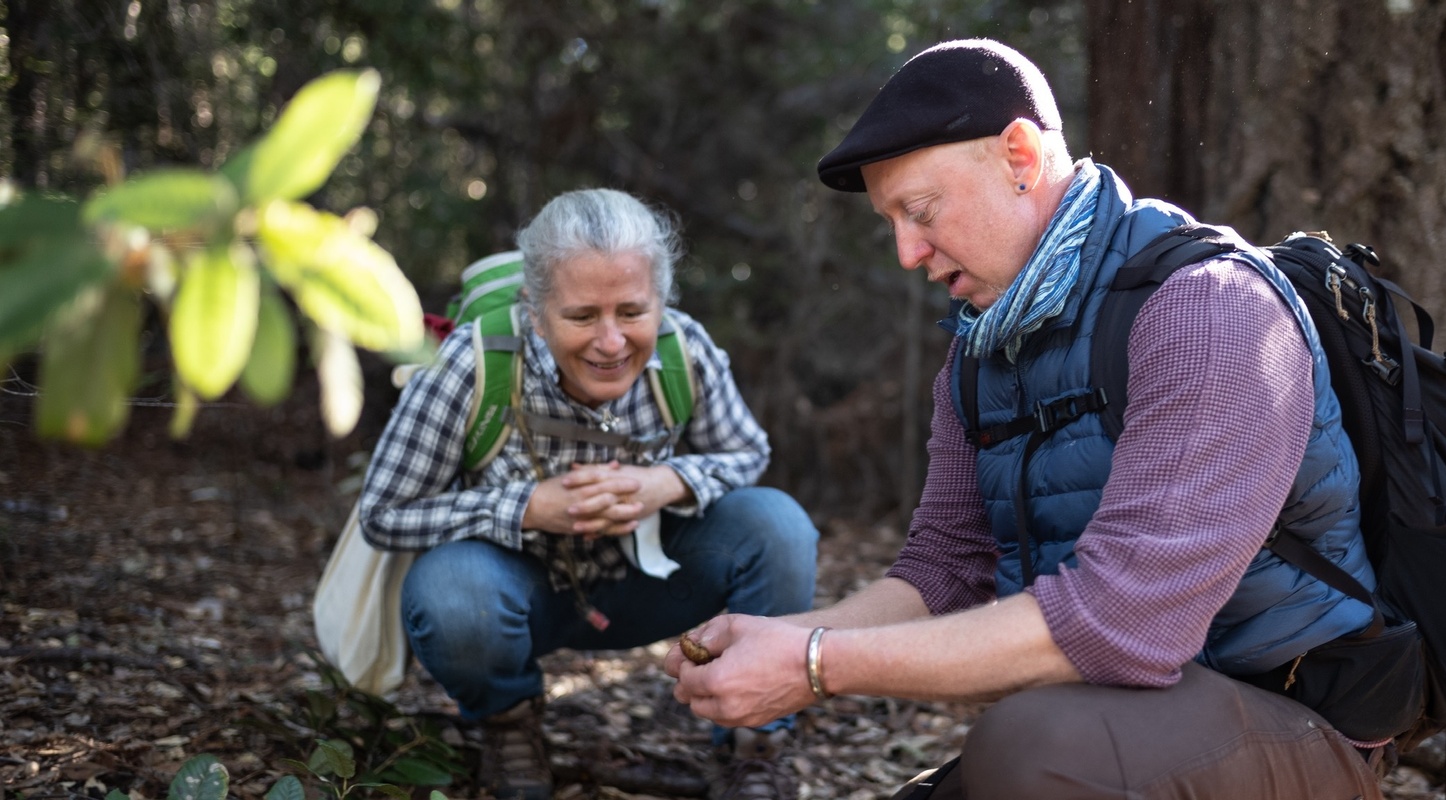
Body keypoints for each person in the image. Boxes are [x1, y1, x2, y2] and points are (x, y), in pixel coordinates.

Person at [665, 39, 1392, 799]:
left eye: (919, 210)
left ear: (1019, 155)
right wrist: (786, 636)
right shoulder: (979, 355)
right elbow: (945, 569)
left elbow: (1121, 620)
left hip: (1301, 727)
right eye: (891, 223)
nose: (908, 252)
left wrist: (816, 666)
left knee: (1029, 750)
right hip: (1126, 725)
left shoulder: (1208, 308)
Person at [359, 188, 818, 800]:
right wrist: (526, 507)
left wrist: (667, 482)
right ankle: (509, 729)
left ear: (661, 300)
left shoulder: (685, 349)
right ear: (537, 308)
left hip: (654, 587)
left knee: (778, 526)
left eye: (632, 312)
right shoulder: (472, 364)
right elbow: (384, 514)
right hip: (517, 598)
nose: (610, 342)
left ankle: (755, 744)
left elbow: (747, 452)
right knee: (450, 592)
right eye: (582, 317)